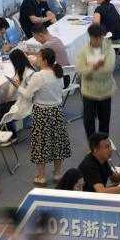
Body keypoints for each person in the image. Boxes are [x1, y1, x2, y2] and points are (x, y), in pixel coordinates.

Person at [19, 48, 70, 186]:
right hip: (57, 111)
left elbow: (28, 95)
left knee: (41, 144)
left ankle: (41, 176)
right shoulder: (58, 72)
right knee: (58, 143)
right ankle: (58, 173)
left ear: (45, 60)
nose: (36, 59)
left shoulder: (38, 76)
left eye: (38, 57)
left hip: (42, 112)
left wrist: (18, 86)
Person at [76, 23, 116, 140]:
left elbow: (108, 69)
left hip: (105, 91)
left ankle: (103, 144)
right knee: (88, 121)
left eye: (100, 38)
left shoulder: (109, 49)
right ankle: (92, 145)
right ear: (90, 37)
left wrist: (89, 68)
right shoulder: (83, 51)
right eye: (95, 38)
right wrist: (95, 66)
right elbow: (80, 70)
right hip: (89, 92)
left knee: (104, 120)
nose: (98, 41)